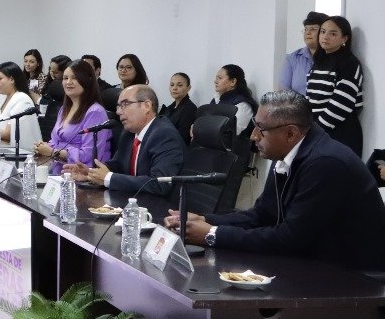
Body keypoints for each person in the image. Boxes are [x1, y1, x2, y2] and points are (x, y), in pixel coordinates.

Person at [165, 91, 385, 270]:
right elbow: (262, 215)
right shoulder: (287, 153)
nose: (253, 136)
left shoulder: (326, 163)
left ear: (290, 134)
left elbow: (290, 238)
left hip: (353, 277)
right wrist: (205, 219)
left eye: (261, 129)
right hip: (315, 264)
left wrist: (212, 234)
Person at [66, 84, 184, 196]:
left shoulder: (164, 134)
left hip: (161, 206)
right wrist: (90, 173)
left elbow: (159, 184)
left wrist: (108, 178)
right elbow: (117, 165)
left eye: (125, 104)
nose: (118, 111)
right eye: (118, 106)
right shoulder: (129, 133)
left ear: (146, 106)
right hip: (132, 201)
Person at [35, 60, 113, 175]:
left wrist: (53, 152)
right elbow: (55, 141)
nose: (68, 82)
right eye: (65, 78)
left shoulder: (95, 112)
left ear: (87, 81)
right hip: (59, 169)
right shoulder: (64, 109)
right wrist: (43, 147)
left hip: (82, 175)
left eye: (74, 78)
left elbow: (89, 156)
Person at [306, 16, 365, 157]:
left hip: (340, 131)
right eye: (323, 32)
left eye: (333, 34)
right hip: (318, 130)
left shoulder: (349, 63)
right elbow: (310, 98)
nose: (325, 37)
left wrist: (316, 130)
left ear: (344, 38)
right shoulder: (319, 61)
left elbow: (341, 104)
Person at [278, 11, 328, 95]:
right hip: (295, 103)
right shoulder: (293, 58)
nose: (307, 33)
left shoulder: (332, 57)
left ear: (324, 32)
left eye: (313, 29)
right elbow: (283, 92)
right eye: (305, 29)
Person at [211, 64, 258, 140]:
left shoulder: (242, 105)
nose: (215, 81)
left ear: (233, 82)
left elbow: (231, 133)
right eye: (216, 78)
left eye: (220, 78)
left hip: (231, 146)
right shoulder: (217, 98)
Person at [158, 72, 197, 144]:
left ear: (188, 88)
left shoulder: (189, 109)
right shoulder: (170, 107)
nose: (174, 88)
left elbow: (182, 138)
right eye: (172, 85)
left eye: (179, 85)